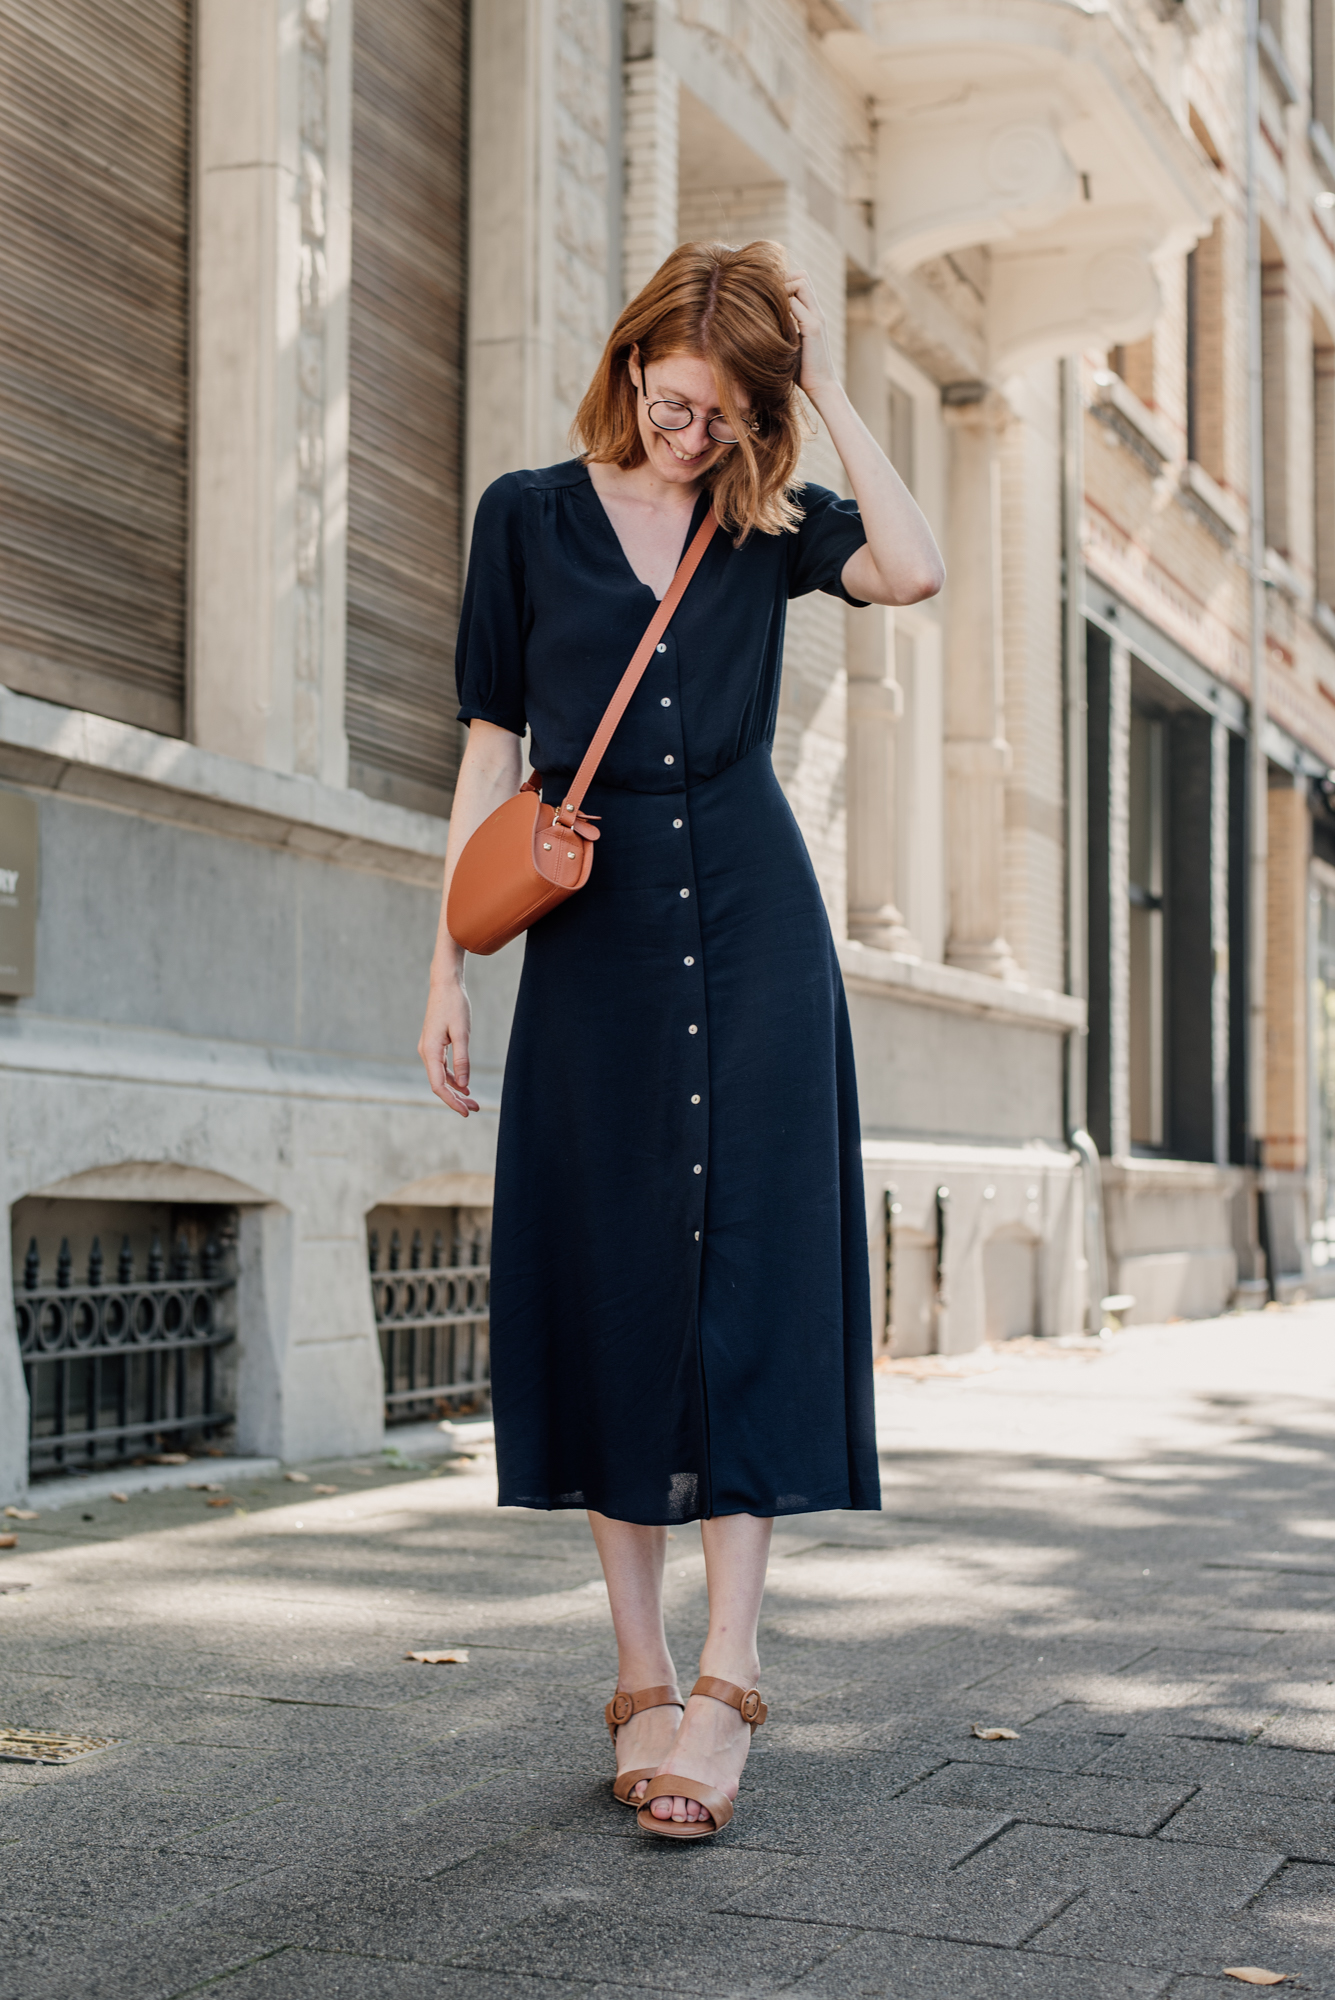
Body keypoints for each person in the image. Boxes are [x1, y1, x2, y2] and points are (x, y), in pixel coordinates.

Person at [418, 240, 944, 1839]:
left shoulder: (765, 525)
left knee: (753, 1270)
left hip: (762, 927)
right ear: (628, 361)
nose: (689, 437)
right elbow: (489, 753)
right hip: (590, 932)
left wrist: (825, 381)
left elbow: (913, 571)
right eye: (670, 402)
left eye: (723, 414)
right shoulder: (524, 515)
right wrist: (442, 969)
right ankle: (636, 1671)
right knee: (615, 1269)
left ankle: (727, 1677)